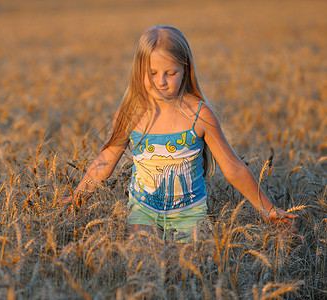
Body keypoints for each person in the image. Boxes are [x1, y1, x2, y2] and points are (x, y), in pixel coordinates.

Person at [62, 25, 297, 242]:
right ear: (138, 71)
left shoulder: (199, 114)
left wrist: (268, 209)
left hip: (190, 213)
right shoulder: (131, 113)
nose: (160, 82)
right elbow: (105, 161)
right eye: (152, 73)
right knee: (144, 264)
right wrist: (78, 198)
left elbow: (233, 168)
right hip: (142, 212)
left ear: (185, 70)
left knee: (182, 271)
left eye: (170, 73)